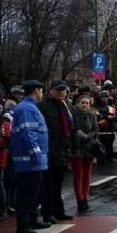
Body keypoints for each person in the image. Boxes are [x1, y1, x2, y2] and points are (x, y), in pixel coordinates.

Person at [10, 80, 50, 233]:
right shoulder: (27, 108)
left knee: (35, 192)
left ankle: (32, 219)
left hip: (32, 160)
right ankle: (23, 226)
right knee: (27, 193)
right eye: (41, 90)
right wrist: (36, 154)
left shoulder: (29, 107)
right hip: (29, 161)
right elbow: (29, 133)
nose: (42, 93)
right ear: (36, 90)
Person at [38, 80, 74, 222]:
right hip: (49, 150)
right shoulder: (43, 106)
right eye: (58, 90)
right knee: (48, 186)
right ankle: (48, 213)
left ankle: (59, 211)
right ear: (51, 90)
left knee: (58, 185)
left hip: (62, 150)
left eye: (63, 90)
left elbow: (70, 129)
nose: (61, 93)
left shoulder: (66, 106)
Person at [71, 95, 98, 213]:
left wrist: (88, 137)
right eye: (82, 102)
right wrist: (80, 136)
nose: (85, 105)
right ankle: (79, 199)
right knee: (78, 175)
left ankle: (85, 197)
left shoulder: (92, 115)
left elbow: (96, 129)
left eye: (87, 103)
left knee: (87, 175)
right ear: (78, 103)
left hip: (89, 147)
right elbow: (71, 130)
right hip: (77, 148)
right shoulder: (73, 115)